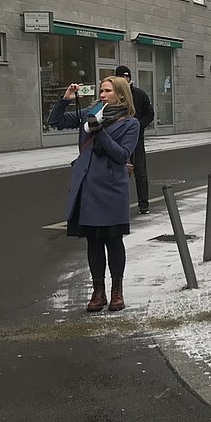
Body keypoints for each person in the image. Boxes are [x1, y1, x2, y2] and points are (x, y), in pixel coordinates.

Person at [47, 77, 141, 313]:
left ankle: (116, 291)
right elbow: (55, 121)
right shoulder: (91, 112)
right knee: (94, 240)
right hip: (87, 184)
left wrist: (99, 132)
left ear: (120, 95)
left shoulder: (131, 123)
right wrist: (65, 100)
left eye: (108, 91)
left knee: (113, 239)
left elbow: (121, 155)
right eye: (101, 90)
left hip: (111, 187)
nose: (102, 94)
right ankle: (97, 291)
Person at [114, 66, 155, 214]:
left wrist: (138, 125)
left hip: (136, 139)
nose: (125, 79)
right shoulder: (114, 95)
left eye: (127, 76)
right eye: (122, 76)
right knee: (119, 171)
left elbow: (149, 114)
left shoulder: (139, 94)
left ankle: (144, 204)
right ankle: (118, 204)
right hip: (117, 139)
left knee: (140, 172)